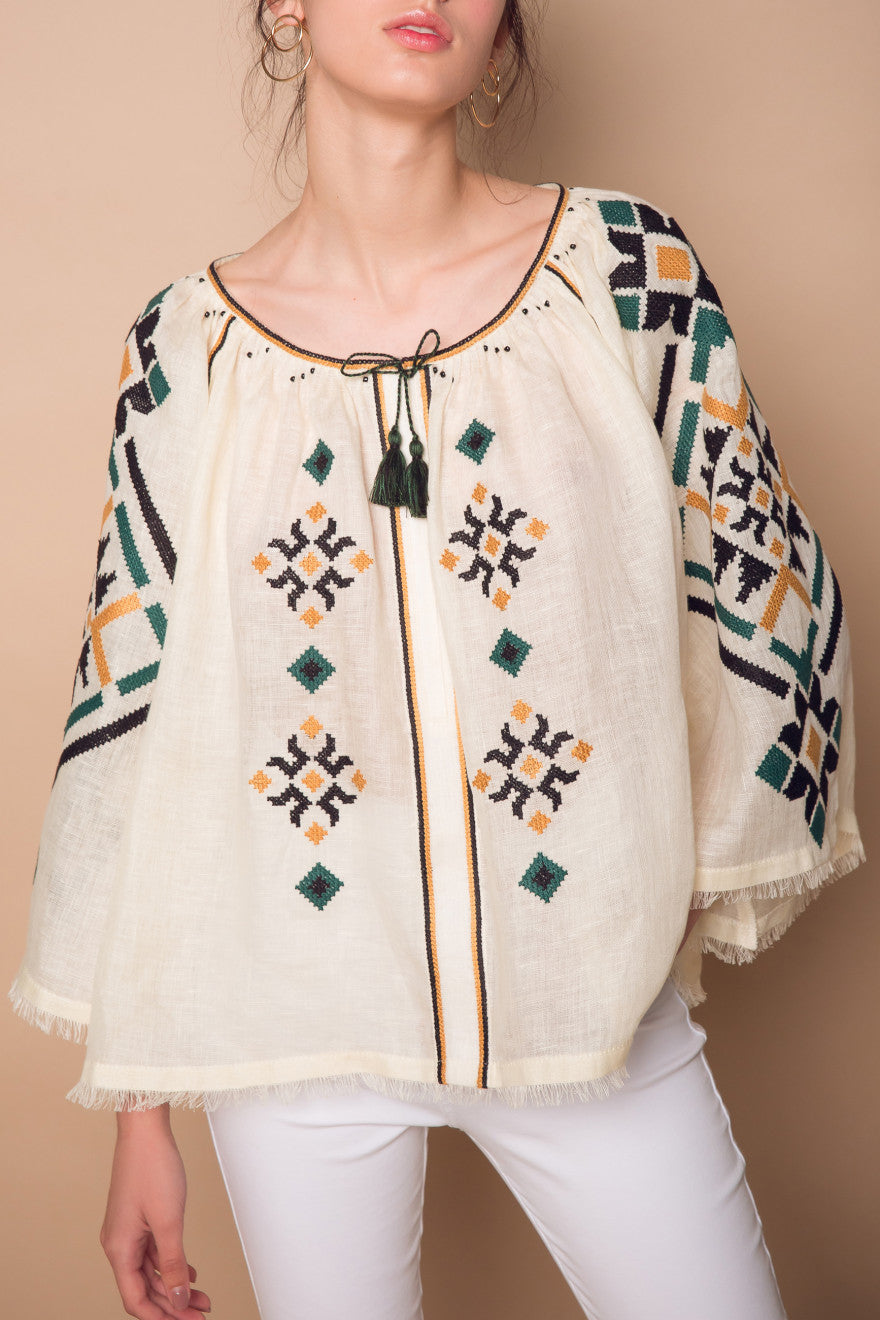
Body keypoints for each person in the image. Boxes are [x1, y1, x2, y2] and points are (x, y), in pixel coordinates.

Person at [8, 2, 866, 1318]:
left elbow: (766, 585)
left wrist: (651, 881)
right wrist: (139, 1112)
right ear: (287, 4)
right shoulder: (186, 350)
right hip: (286, 1029)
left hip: (590, 1008)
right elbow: (135, 720)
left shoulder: (629, 273)